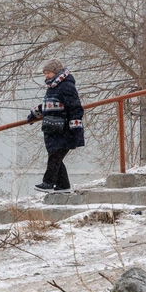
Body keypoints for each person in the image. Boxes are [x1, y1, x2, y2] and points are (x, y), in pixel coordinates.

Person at [27, 59, 85, 193]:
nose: (46, 76)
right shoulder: (53, 87)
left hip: (64, 130)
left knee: (55, 156)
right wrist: (35, 113)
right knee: (55, 156)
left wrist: (76, 130)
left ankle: (48, 182)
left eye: (48, 73)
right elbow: (50, 105)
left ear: (56, 72)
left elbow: (75, 108)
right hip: (52, 129)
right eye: (45, 73)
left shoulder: (66, 86)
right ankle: (63, 186)